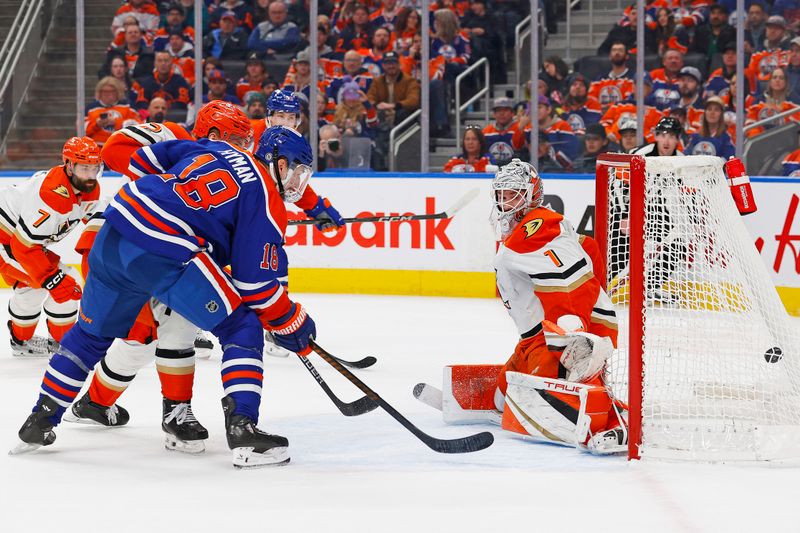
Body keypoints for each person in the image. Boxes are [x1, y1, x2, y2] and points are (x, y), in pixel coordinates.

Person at [12, 124, 318, 468]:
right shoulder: (267, 199)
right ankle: (244, 429)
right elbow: (256, 286)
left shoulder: (212, 149)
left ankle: (41, 419)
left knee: (89, 337)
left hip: (113, 231)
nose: (297, 183)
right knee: (241, 327)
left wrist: (187, 210)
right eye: (299, 172)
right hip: (164, 249)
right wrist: (291, 320)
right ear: (280, 164)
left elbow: (142, 162)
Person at [438, 159, 625, 454]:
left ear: (532, 194)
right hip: (534, 338)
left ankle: (613, 421)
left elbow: (572, 281)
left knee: (545, 396)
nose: (504, 202)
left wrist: (573, 329)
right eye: (500, 194)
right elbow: (589, 248)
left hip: (562, 337)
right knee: (502, 397)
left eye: (512, 193)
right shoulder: (524, 230)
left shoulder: (541, 226)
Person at [0, 138, 101, 358]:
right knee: (67, 284)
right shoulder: (51, 196)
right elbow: (23, 247)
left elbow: (97, 223)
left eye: (95, 168)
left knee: (32, 289)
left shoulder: (88, 186)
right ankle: (65, 345)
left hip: (19, 239)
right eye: (85, 168)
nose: (91, 175)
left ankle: (20, 340)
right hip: (7, 240)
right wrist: (52, 280)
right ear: (69, 165)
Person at [85, 77, 142, 146]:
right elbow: (83, 130)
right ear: (99, 92)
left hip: (121, 146)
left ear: (118, 92)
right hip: (96, 148)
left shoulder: (128, 106)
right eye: (104, 91)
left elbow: (138, 127)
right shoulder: (91, 108)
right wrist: (97, 124)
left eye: (111, 91)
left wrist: (116, 122)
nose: (107, 94)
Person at [482, 97, 524, 166]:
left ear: (512, 113)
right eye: (498, 110)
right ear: (494, 114)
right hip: (492, 170)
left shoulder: (520, 128)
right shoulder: (486, 132)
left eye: (505, 110)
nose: (502, 113)